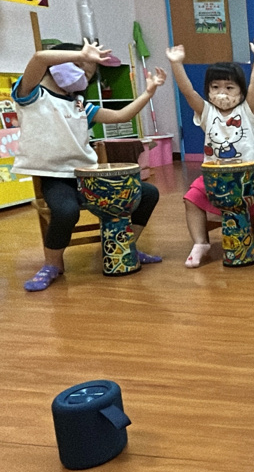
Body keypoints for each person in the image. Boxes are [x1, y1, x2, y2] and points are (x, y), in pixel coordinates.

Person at [12, 40, 166, 291]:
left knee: (147, 193)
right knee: (66, 211)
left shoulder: (80, 104)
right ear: (58, 63)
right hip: (55, 177)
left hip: (88, 177)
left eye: (88, 73)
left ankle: (125, 247)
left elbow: (121, 116)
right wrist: (81, 53)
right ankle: (52, 265)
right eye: (79, 66)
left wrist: (148, 93)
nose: (83, 74)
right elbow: (39, 58)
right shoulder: (32, 94)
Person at [167, 40, 254, 268]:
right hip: (215, 178)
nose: (222, 93)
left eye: (229, 88)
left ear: (240, 91)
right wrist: (176, 64)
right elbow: (187, 91)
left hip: (251, 175)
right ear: (208, 91)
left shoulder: (247, 110)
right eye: (215, 87)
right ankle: (200, 243)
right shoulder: (206, 111)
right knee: (191, 200)